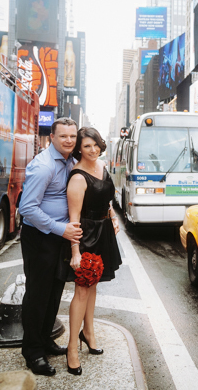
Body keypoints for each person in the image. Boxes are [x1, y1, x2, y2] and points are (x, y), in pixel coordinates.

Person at [18, 117, 82, 377]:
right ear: (52, 138)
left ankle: (44, 340)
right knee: (38, 294)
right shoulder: (44, 166)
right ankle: (32, 351)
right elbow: (27, 208)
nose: (69, 140)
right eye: (63, 136)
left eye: (72, 136)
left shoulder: (71, 162)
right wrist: (60, 228)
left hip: (60, 237)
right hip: (40, 238)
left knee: (55, 291)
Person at [61, 127, 122, 375]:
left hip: (103, 232)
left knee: (93, 286)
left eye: (95, 144)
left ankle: (88, 332)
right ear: (79, 149)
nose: (93, 149)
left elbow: (106, 200)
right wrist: (75, 252)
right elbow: (73, 219)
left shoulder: (102, 167)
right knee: (82, 291)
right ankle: (72, 348)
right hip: (86, 236)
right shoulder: (77, 176)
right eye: (87, 146)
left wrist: (113, 216)